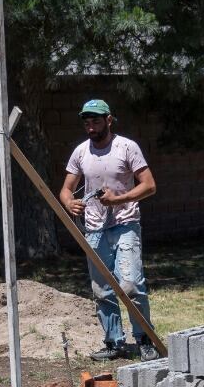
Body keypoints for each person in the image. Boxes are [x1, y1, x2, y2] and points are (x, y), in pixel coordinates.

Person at [58, 98, 158, 361]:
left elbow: (149, 185)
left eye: (96, 121)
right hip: (94, 230)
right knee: (102, 289)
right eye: (87, 122)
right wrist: (70, 203)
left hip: (125, 225)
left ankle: (145, 338)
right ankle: (114, 342)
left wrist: (118, 199)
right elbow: (66, 189)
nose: (91, 127)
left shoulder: (126, 147)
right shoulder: (81, 152)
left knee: (130, 284)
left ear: (109, 120)